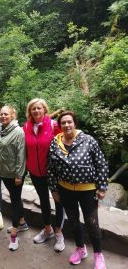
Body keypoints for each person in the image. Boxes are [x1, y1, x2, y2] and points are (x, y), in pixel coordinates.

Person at [48, 111, 108, 269]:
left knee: (92, 223)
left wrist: (102, 187)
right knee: (74, 222)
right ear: (59, 126)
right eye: (63, 123)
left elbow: (101, 163)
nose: (67, 125)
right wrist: (54, 189)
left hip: (87, 190)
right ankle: (81, 249)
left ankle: (98, 254)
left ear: (75, 123)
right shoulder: (55, 143)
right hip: (65, 190)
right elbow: (51, 169)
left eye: (69, 122)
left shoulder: (88, 140)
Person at [23, 98, 65, 252]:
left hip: (53, 173)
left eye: (39, 108)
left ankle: (59, 233)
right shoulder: (26, 126)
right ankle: (48, 229)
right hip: (35, 171)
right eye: (33, 108)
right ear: (30, 111)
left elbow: (66, 144)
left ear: (45, 110)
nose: (36, 111)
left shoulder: (54, 125)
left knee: (58, 200)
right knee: (43, 200)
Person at [0, 105, 26, 251]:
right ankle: (23, 223)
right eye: (1, 114)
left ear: (13, 115)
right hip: (4, 172)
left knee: (14, 201)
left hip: (15, 174)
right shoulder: (2, 129)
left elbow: (21, 155)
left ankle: (14, 234)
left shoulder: (18, 132)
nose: (3, 116)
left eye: (6, 114)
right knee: (16, 198)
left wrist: (19, 175)